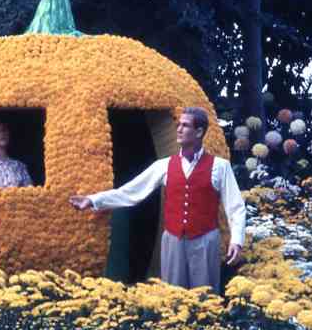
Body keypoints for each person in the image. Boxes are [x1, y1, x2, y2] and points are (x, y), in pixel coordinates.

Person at [69, 107, 245, 292]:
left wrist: (237, 240)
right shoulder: (164, 165)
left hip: (205, 241)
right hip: (173, 240)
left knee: (206, 296)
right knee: (174, 296)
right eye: (179, 125)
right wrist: (93, 200)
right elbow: (131, 192)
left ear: (199, 132)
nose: (179, 129)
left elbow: (235, 206)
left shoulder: (220, 167)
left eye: (185, 126)